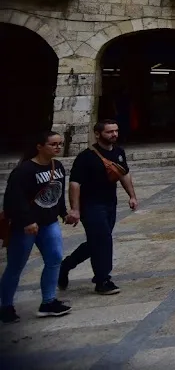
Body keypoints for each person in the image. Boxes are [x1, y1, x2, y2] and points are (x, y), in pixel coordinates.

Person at [1, 133, 77, 323]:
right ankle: (5, 306)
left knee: (54, 259)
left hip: (49, 222)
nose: (58, 148)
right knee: (16, 266)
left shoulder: (57, 167)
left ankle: (48, 302)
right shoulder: (24, 171)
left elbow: (57, 192)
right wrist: (26, 221)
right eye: (53, 144)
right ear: (39, 146)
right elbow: (13, 200)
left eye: (60, 144)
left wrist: (64, 213)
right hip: (25, 227)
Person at [59, 120, 138, 296]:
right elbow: (74, 184)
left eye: (116, 131)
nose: (114, 135)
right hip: (91, 205)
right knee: (103, 240)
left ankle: (66, 265)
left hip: (110, 203)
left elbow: (123, 174)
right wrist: (75, 209)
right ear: (97, 134)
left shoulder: (118, 152)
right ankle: (102, 280)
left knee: (97, 242)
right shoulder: (86, 157)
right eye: (109, 132)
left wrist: (132, 196)